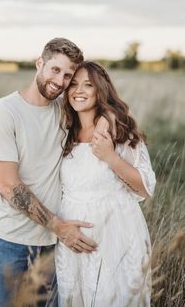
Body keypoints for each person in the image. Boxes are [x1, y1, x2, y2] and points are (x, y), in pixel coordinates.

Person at [0, 38, 98, 307]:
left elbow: (102, 110)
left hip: (53, 244)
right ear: (39, 63)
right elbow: (9, 186)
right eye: (55, 70)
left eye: (68, 75)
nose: (60, 80)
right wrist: (61, 228)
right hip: (9, 241)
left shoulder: (66, 112)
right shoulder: (4, 112)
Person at [55, 61, 156, 307]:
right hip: (72, 239)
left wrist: (110, 157)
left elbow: (145, 187)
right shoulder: (64, 130)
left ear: (101, 90)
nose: (79, 90)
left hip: (114, 237)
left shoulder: (118, 128)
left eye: (88, 85)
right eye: (74, 84)